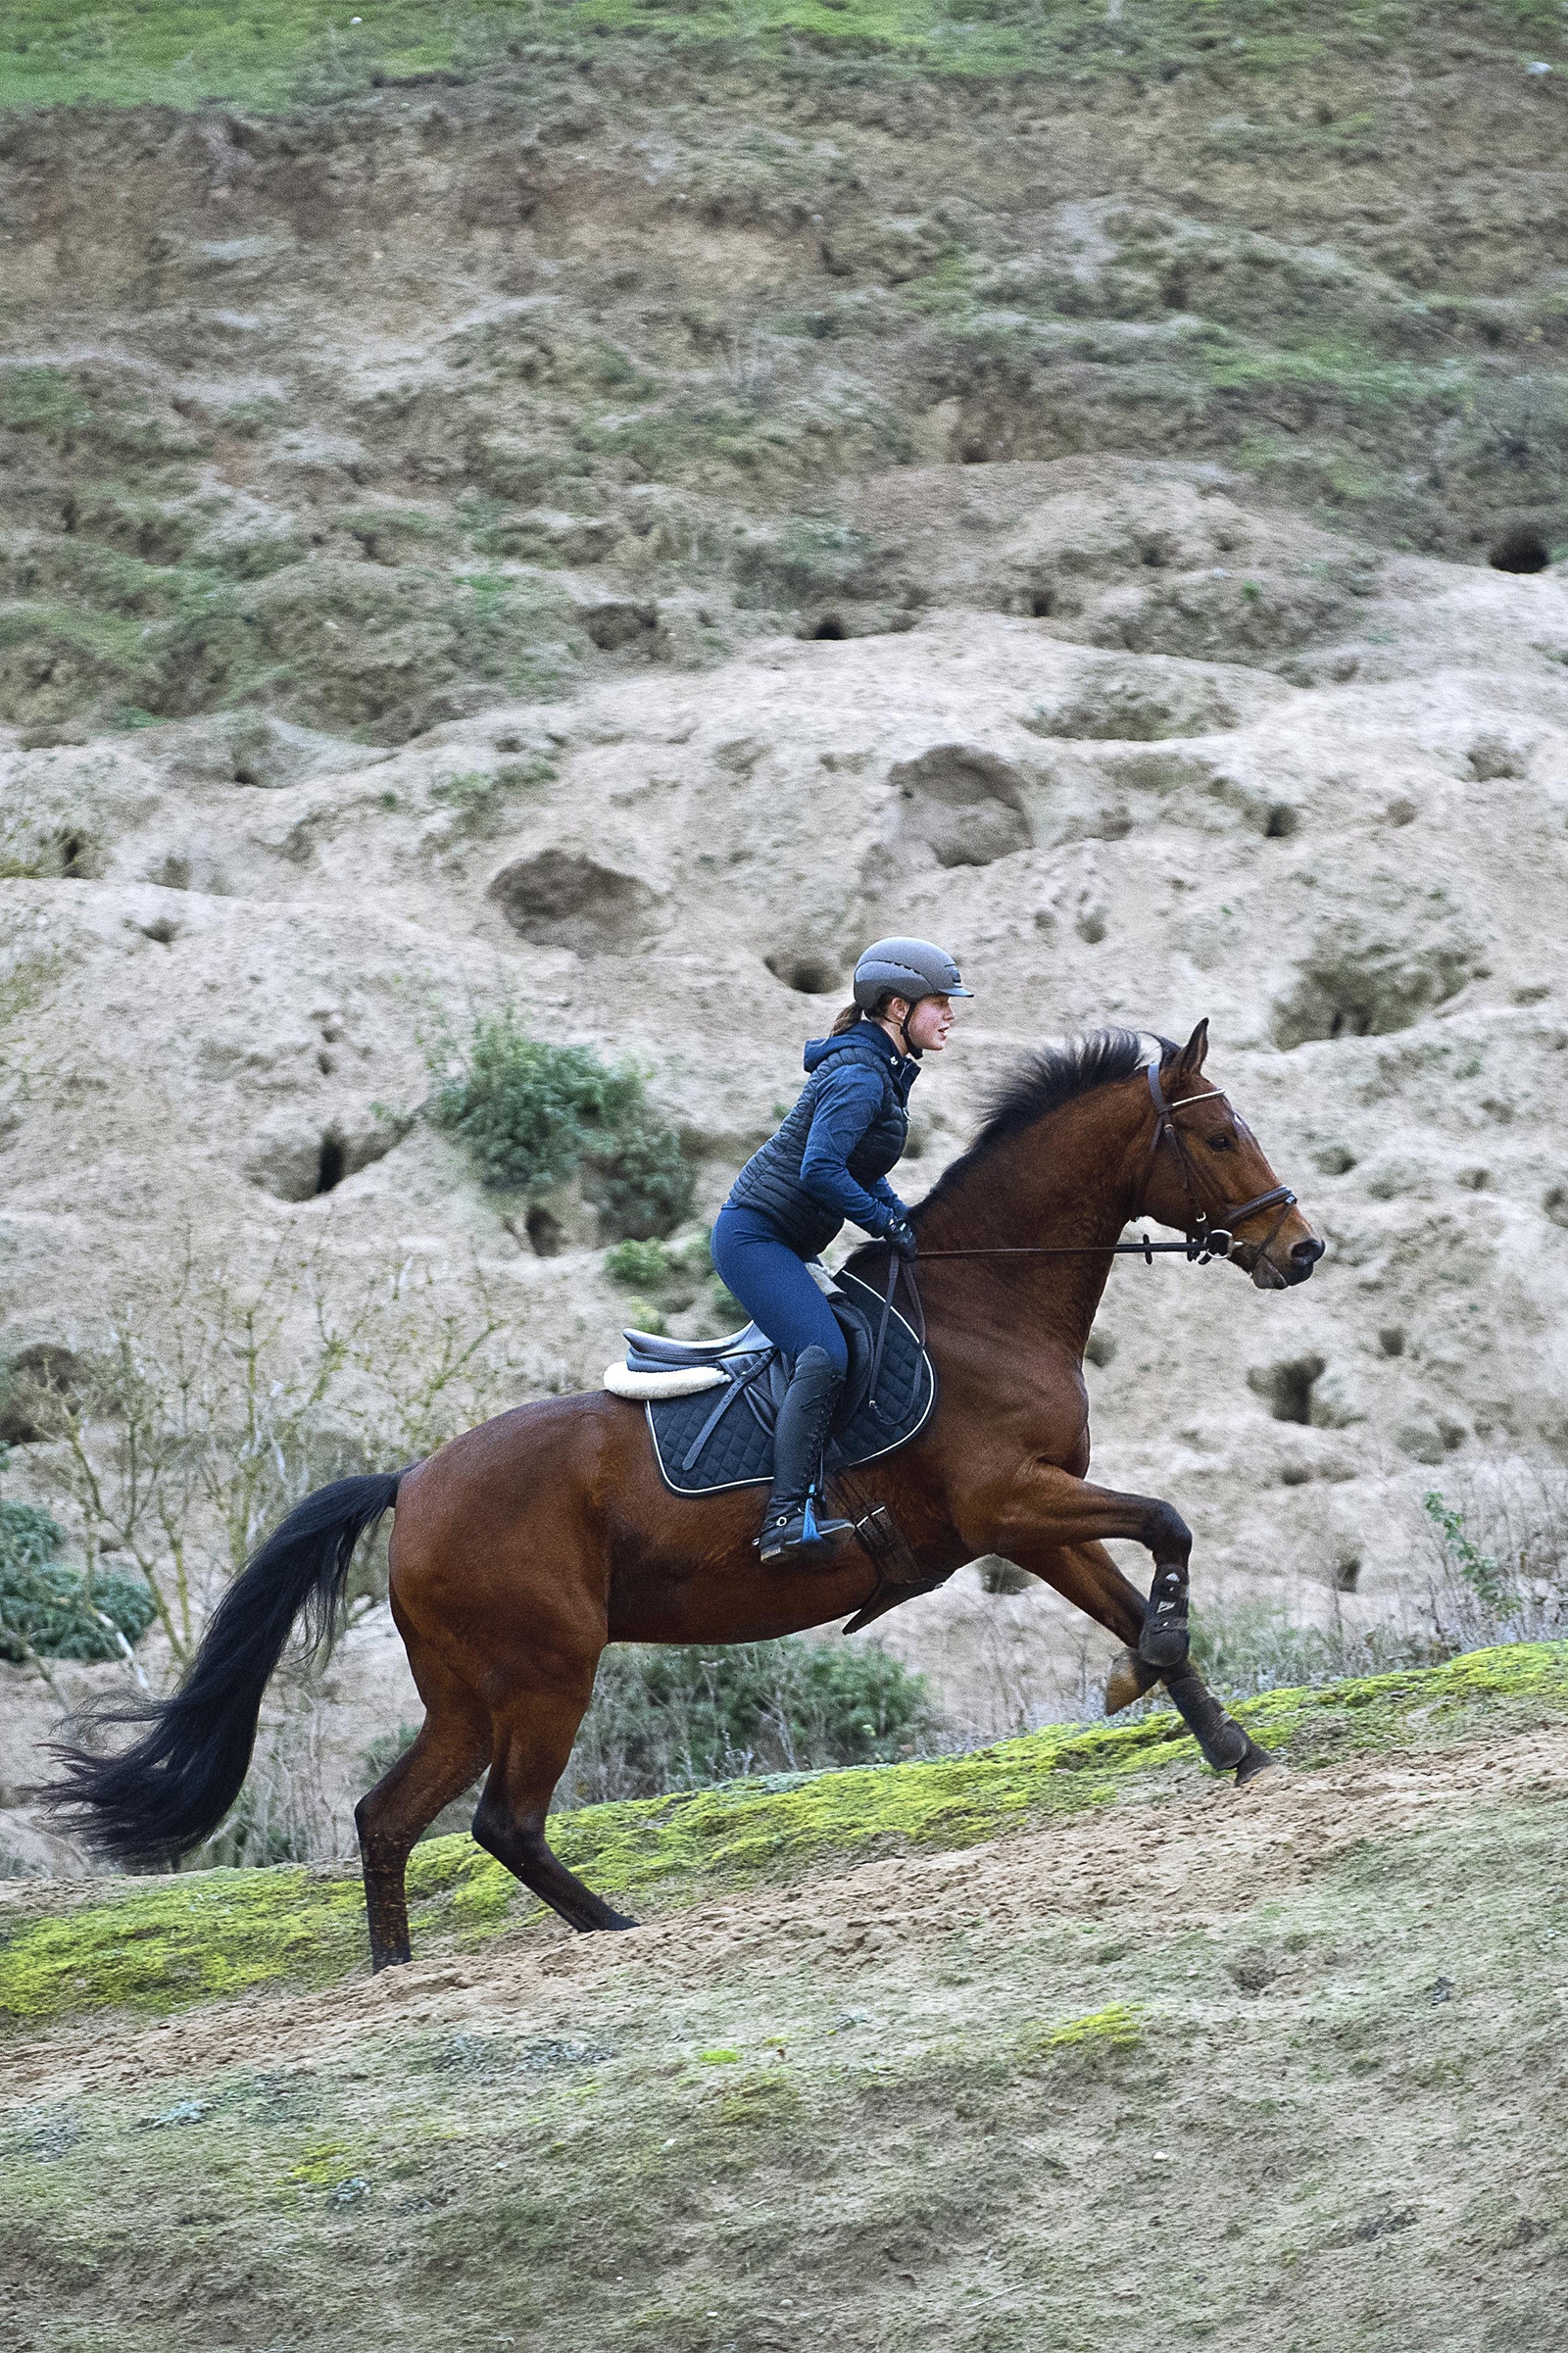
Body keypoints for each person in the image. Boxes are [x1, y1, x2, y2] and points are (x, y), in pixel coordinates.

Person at [712, 937, 971, 1565]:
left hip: (789, 1242)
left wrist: (906, 1217)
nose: (950, 1015)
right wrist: (885, 1222)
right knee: (823, 1353)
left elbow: (860, 1164)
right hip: (757, 1239)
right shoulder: (861, 1073)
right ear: (896, 1007)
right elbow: (820, 1169)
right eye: (939, 1003)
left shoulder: (881, 1067)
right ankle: (781, 1519)